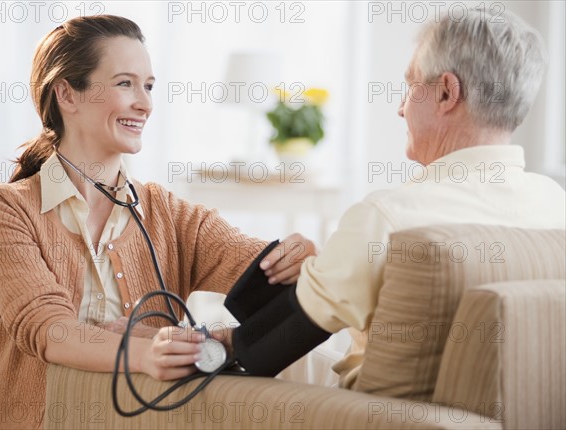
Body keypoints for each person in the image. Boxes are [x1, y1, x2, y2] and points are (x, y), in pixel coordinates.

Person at [0, 15, 315, 430]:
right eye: (124, 83)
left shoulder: (170, 214)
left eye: (148, 86)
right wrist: (143, 351)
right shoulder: (6, 210)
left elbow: (263, 272)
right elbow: (47, 329)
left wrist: (300, 260)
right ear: (67, 93)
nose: (145, 104)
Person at [224, 7, 566, 386]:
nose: (400, 108)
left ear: (446, 92)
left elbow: (259, 351)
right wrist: (332, 268)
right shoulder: (556, 206)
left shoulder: (389, 218)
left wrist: (208, 340)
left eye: (411, 85)